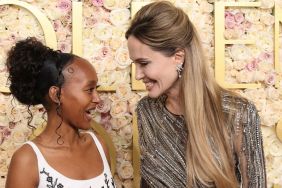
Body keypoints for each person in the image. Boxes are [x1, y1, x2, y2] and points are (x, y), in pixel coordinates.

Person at [126, 1, 266, 188]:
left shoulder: (238, 113)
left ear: (178, 56)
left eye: (144, 63)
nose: (138, 74)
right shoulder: (147, 110)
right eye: (135, 64)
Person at [5, 38, 116, 188]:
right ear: (56, 95)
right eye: (89, 90)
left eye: (96, 89)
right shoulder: (27, 160)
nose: (97, 99)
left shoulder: (98, 145)